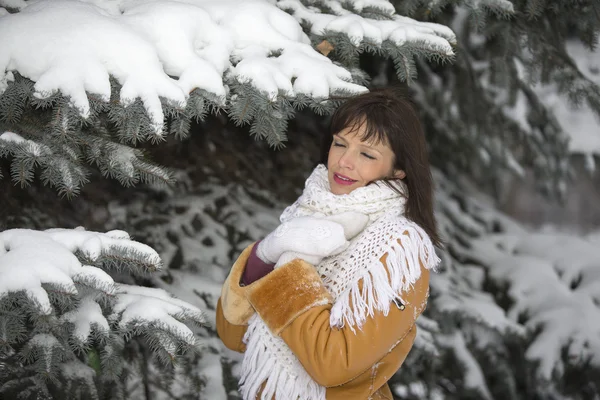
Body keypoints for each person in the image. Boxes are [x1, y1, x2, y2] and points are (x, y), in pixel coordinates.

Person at [216, 88, 441, 400]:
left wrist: (291, 267)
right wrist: (265, 253)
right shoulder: (307, 216)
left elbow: (333, 364)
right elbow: (234, 335)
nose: (345, 161)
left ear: (399, 169)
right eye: (340, 144)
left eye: (367, 154)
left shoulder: (399, 248)